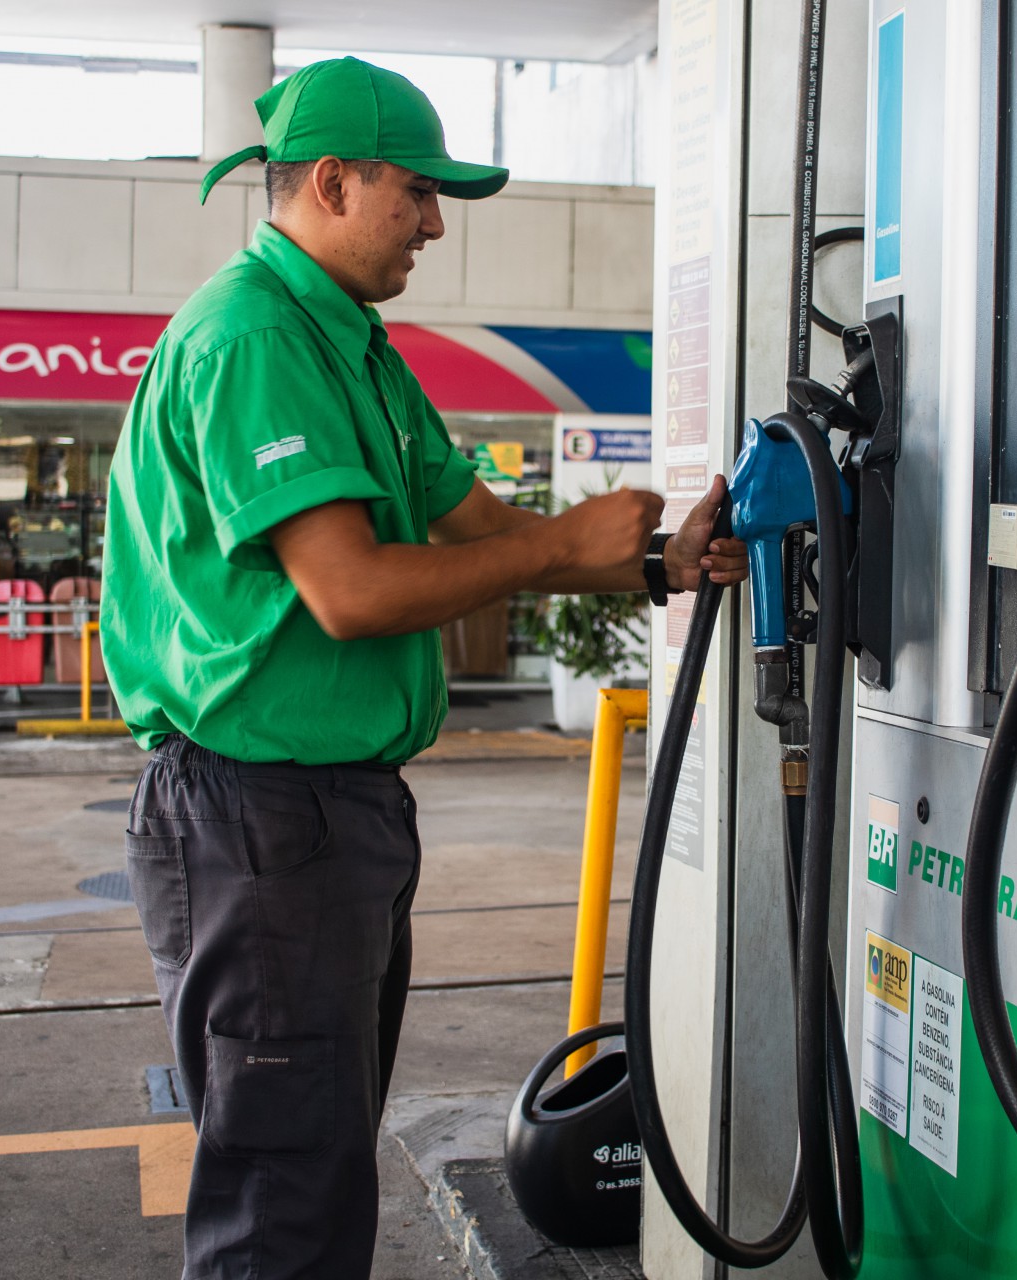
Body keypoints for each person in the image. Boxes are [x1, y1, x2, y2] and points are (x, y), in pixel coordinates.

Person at [101, 57, 747, 1279]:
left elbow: (471, 530)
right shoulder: (252, 336)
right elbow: (348, 590)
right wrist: (566, 543)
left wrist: (653, 563)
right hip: (259, 820)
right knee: (283, 1194)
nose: (437, 223)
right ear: (334, 183)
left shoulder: (355, 345)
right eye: (419, 192)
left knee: (319, 1163)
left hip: (327, 818)